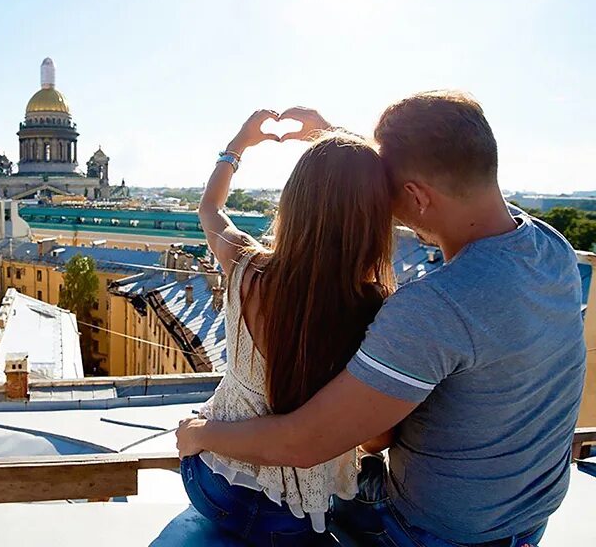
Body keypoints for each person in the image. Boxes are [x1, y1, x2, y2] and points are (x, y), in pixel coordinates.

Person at [177, 92, 586, 547]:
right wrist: (337, 143)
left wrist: (201, 432)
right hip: (527, 522)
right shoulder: (552, 250)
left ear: (415, 195)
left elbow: (308, 442)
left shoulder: (431, 308)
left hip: (431, 533)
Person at [181, 109, 396, 545]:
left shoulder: (246, 266)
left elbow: (210, 208)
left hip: (216, 484)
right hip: (302, 514)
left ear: (292, 201)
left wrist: (238, 144)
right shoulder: (377, 308)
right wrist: (333, 138)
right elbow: (376, 441)